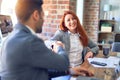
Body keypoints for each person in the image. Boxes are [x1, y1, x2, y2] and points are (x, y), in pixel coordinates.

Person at [0, 0, 70, 80]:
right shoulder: (30, 41)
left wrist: (68, 71)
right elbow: (64, 63)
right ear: (36, 15)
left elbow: (34, 72)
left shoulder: (8, 40)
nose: (43, 20)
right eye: (43, 16)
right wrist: (58, 47)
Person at [50, 11, 99, 80]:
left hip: (80, 69)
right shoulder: (61, 34)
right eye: (68, 20)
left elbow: (96, 47)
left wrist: (91, 52)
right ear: (65, 24)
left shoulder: (82, 35)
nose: (72, 21)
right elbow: (50, 42)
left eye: (73, 19)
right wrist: (55, 45)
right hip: (66, 71)